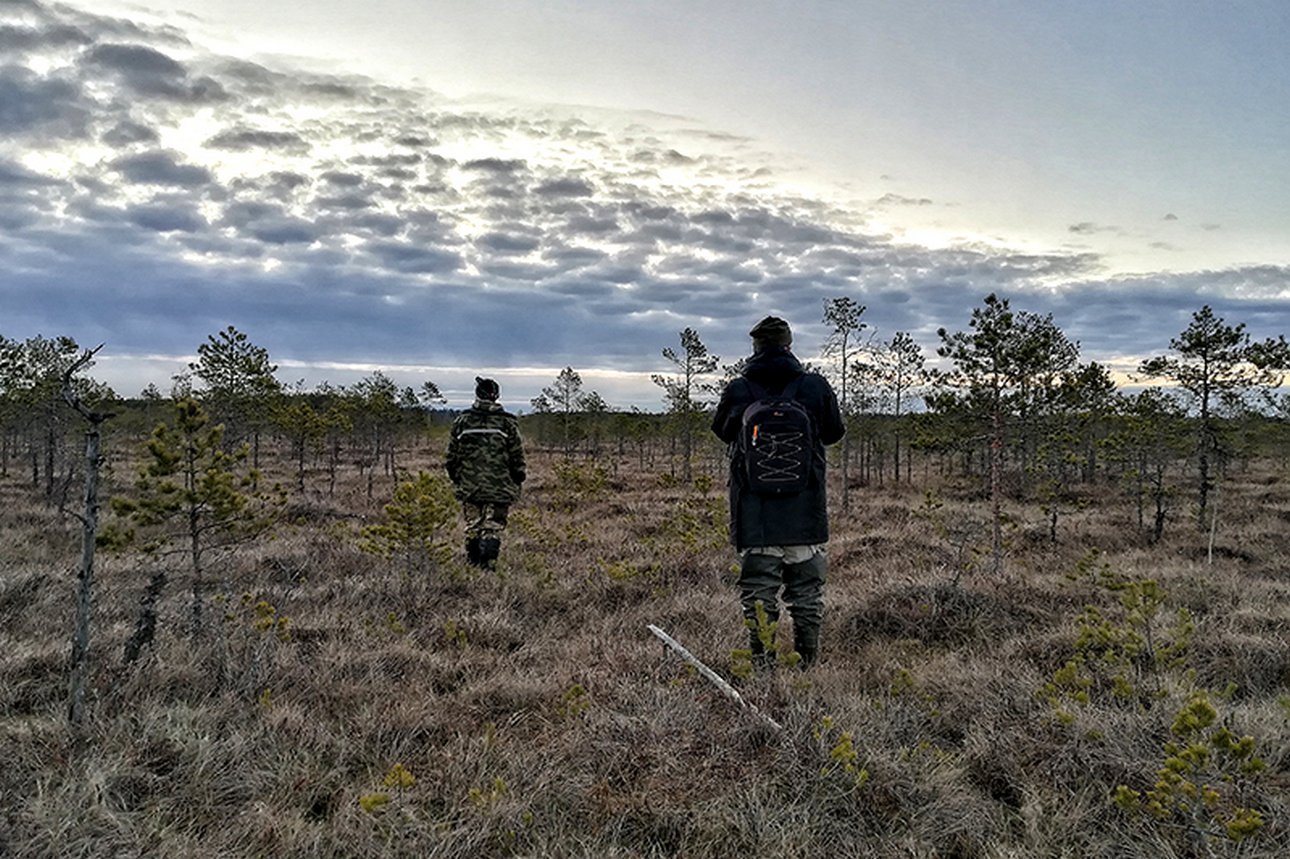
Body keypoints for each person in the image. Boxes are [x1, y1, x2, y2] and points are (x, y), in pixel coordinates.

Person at [711, 316, 845, 667]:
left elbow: (722, 432)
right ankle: (807, 666)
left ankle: (764, 667)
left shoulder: (739, 389)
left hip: (755, 512)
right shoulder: (815, 386)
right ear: (789, 345)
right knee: (807, 593)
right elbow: (833, 433)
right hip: (805, 509)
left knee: (758, 593)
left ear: (755, 348)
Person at [445, 377, 526, 569]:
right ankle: (487, 566)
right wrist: (518, 476)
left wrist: (457, 477)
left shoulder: (462, 422)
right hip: (500, 485)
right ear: (495, 396)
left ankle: (473, 564)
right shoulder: (507, 424)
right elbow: (517, 455)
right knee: (493, 525)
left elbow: (451, 457)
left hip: (469, 485)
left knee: (473, 524)